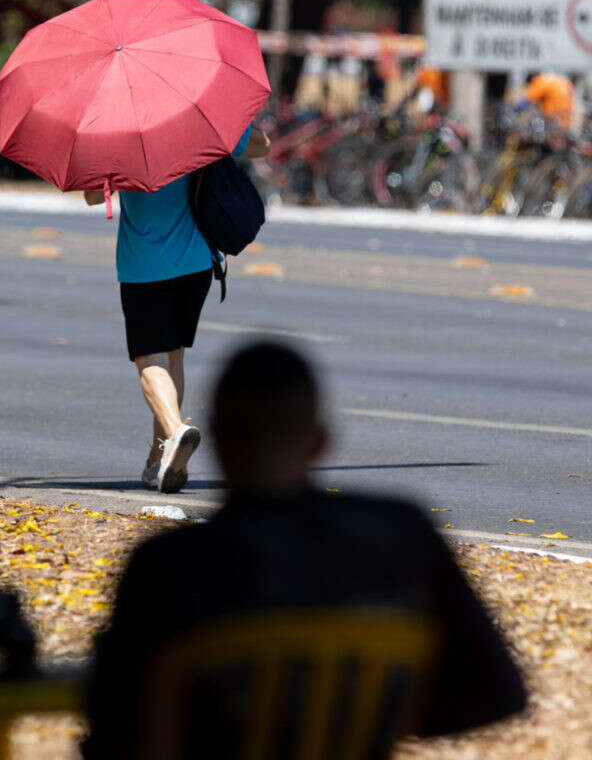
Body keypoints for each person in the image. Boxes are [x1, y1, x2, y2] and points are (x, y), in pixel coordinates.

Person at [83, 341, 527, 759]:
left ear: (217, 437)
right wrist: (367, 721)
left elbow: (115, 729)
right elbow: (499, 691)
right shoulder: (400, 534)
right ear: (319, 440)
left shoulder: (167, 566)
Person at [84, 129, 270, 492]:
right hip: (197, 262)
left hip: (144, 266)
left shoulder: (119, 136)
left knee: (148, 360)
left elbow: (93, 196)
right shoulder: (197, 123)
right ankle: (157, 460)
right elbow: (262, 145)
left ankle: (174, 432)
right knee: (174, 357)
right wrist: (241, 128)